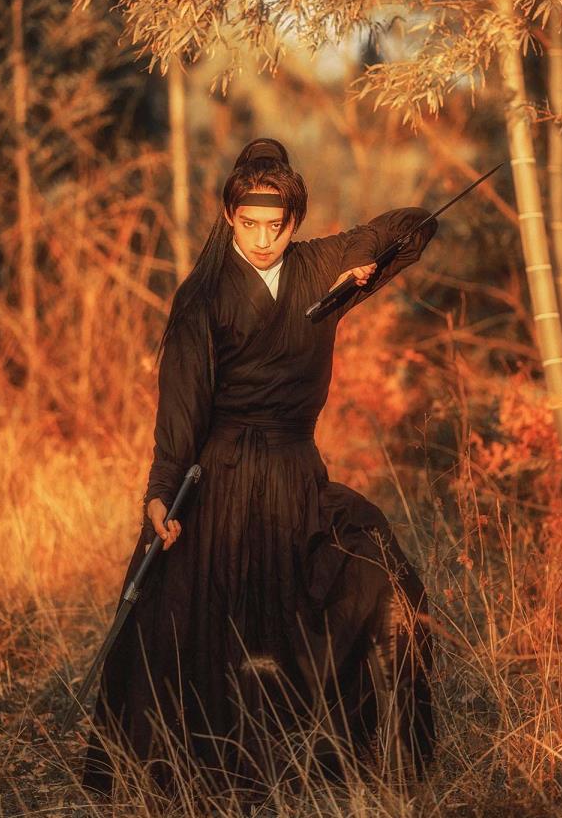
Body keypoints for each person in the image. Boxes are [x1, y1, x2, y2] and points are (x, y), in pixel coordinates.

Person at [81, 138, 438, 802]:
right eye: (250, 224)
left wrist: (365, 270)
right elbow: (181, 413)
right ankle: (213, 777)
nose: (264, 239)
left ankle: (342, 759)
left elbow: (416, 228)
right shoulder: (204, 296)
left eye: (277, 225)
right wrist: (161, 495)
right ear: (229, 217)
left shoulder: (319, 266)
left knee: (384, 583)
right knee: (211, 630)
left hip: (298, 474)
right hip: (221, 479)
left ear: (294, 220)